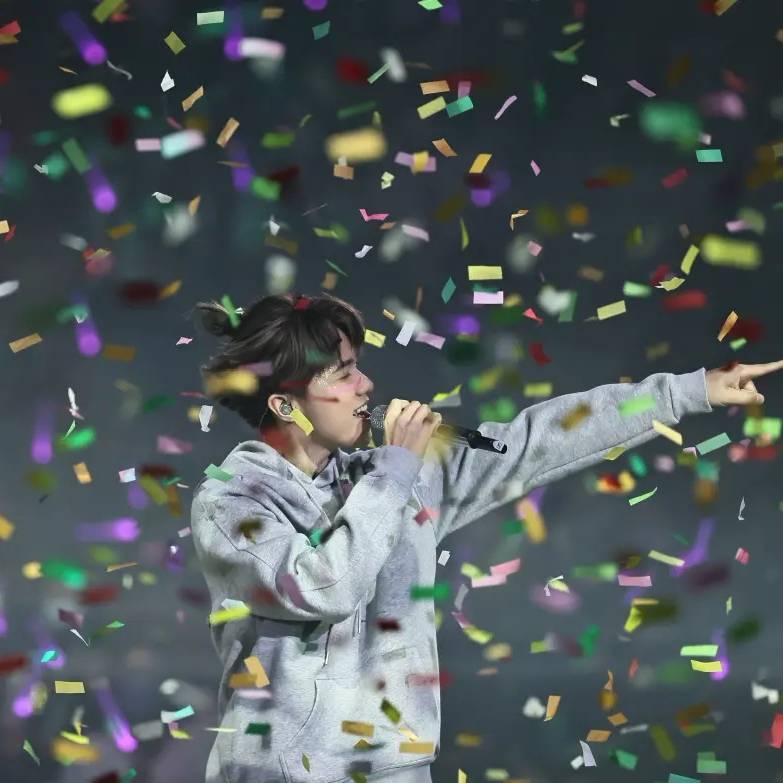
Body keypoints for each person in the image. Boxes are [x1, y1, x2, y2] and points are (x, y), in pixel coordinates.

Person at [189, 291, 780, 783]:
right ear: (285, 405)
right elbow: (326, 586)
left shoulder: (388, 477)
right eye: (343, 374)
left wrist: (688, 391)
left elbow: (533, 441)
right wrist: (397, 467)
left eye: (358, 365)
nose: (367, 384)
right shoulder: (232, 502)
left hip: (396, 768)